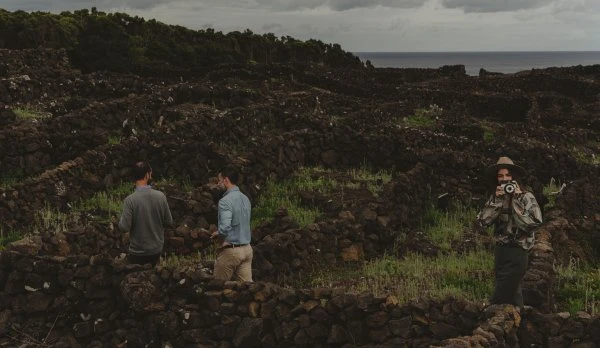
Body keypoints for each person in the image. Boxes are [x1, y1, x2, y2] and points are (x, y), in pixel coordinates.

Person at [477, 156, 542, 307]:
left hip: (519, 250)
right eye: (500, 176)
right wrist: (497, 202)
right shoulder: (496, 197)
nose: (504, 179)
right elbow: (483, 221)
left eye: (508, 175)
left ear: (514, 177)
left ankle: (490, 312)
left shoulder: (526, 197)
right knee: (514, 294)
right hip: (501, 251)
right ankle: (518, 322)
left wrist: (516, 200)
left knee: (502, 293)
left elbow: (532, 224)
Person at [118, 161, 173, 266]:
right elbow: (169, 222)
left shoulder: (130, 200)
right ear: (148, 175)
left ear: (134, 177)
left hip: (137, 254)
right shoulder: (160, 196)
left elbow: (124, 227)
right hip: (156, 251)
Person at [211, 168, 253, 281]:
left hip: (232, 251)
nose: (218, 184)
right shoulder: (245, 198)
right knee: (247, 291)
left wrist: (221, 241)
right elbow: (241, 223)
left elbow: (225, 227)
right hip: (247, 249)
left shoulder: (225, 201)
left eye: (219, 180)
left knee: (217, 289)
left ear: (226, 180)